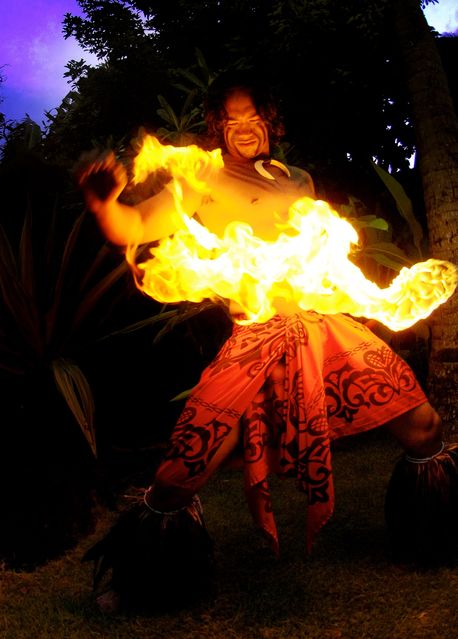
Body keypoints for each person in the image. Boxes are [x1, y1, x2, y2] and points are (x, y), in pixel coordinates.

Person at [77, 72, 457, 612]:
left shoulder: (294, 178)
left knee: (424, 426)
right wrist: (103, 204)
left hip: (321, 326)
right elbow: (131, 225)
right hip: (256, 338)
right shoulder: (198, 182)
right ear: (219, 129)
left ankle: (434, 537)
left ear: (269, 121)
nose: (245, 127)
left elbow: (318, 252)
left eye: (253, 116)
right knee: (181, 470)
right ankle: (147, 579)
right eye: (233, 120)